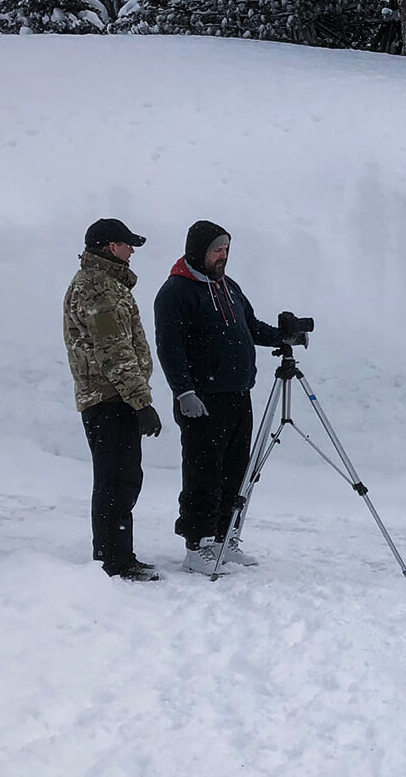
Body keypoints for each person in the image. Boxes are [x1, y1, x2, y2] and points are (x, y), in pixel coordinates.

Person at [153, 220, 296, 573]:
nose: (223, 256)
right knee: (203, 472)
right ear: (198, 250)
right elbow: (169, 348)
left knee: (235, 470)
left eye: (227, 250)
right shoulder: (176, 292)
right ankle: (197, 544)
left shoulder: (228, 287)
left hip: (237, 393)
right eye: (217, 250)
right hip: (202, 399)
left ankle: (223, 537)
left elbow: (250, 326)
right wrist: (183, 391)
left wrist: (283, 337)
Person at [63, 218, 163, 582]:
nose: (132, 250)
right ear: (110, 247)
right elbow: (113, 350)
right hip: (108, 397)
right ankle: (113, 561)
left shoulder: (108, 284)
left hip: (114, 395)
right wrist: (141, 402)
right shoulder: (98, 288)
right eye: (127, 244)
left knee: (123, 476)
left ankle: (118, 555)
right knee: (116, 478)